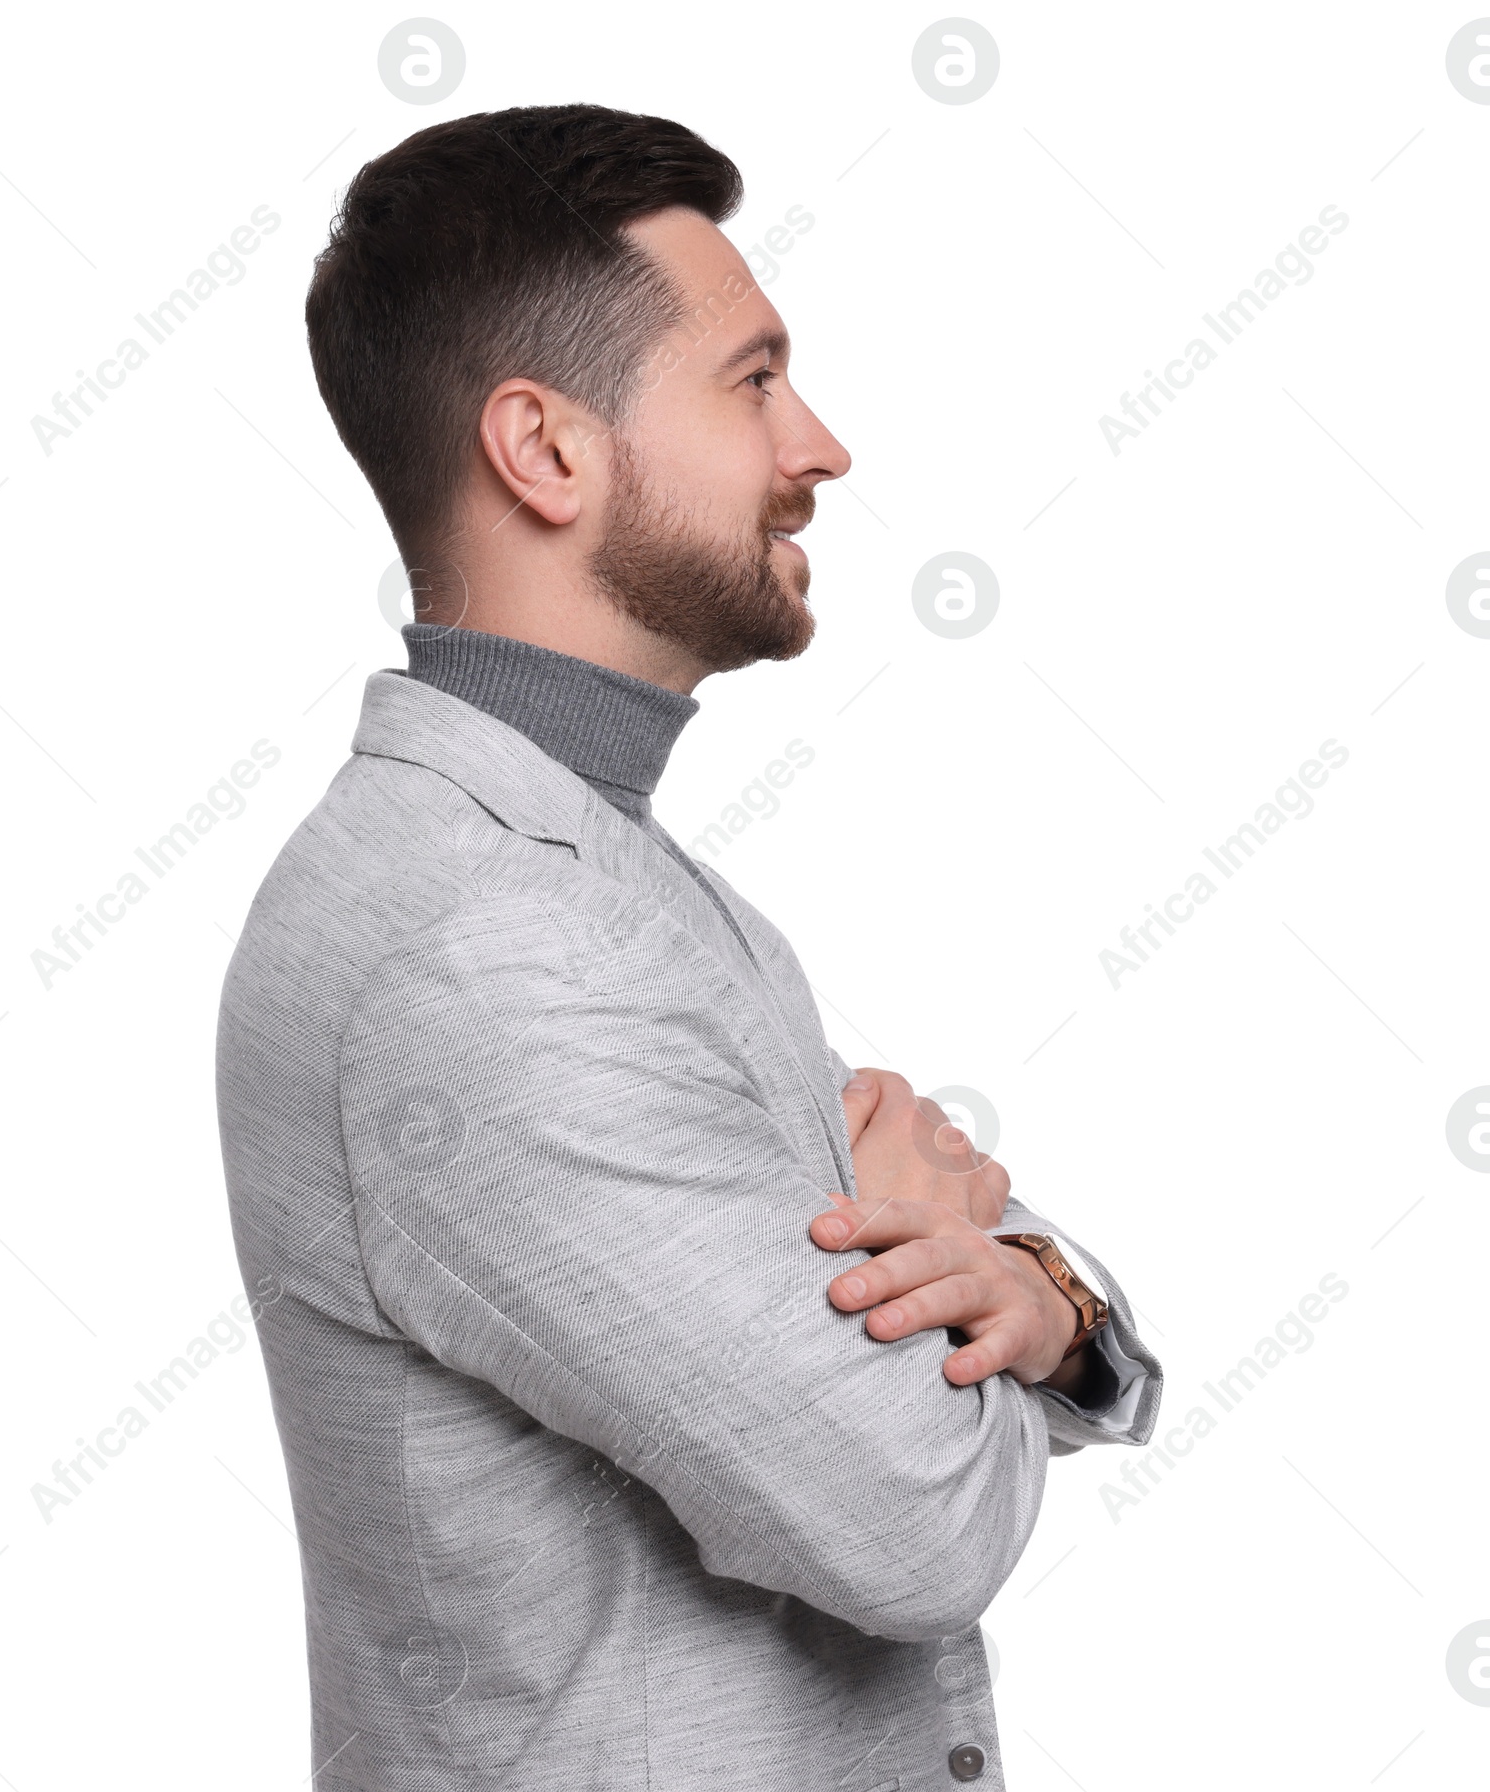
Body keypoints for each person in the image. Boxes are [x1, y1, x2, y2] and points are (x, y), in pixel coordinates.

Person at [216, 102, 1162, 1791]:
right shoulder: (483, 949)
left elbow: (967, 1293)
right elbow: (913, 1520)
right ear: (549, 451)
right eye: (752, 379)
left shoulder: (588, 869)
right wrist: (974, 1257)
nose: (822, 444)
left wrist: (1036, 1284)